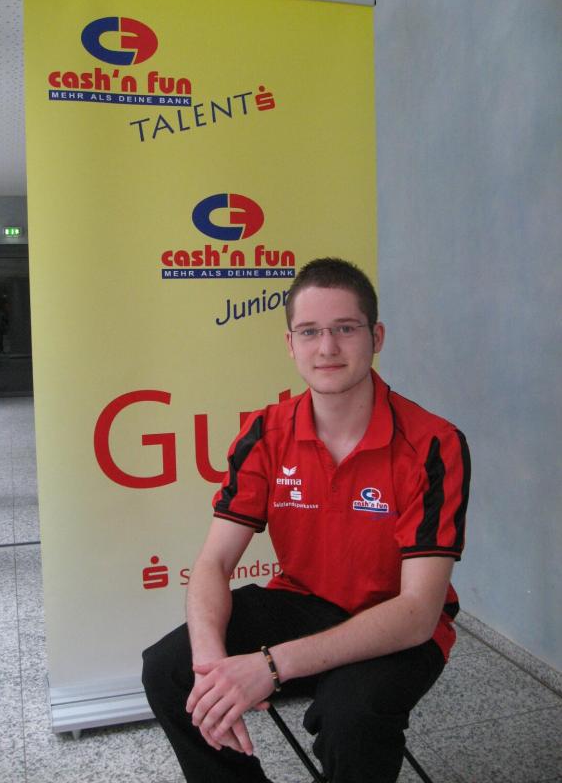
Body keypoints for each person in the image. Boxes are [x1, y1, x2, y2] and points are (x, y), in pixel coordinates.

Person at [142, 257, 471, 783]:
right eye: (310, 331)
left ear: (376, 337)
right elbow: (213, 563)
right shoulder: (265, 433)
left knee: (350, 719)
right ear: (290, 343)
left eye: (346, 328)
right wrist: (211, 669)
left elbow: (416, 612)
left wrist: (269, 666)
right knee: (169, 671)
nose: (327, 348)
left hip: (397, 624)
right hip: (304, 601)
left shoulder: (434, 443)